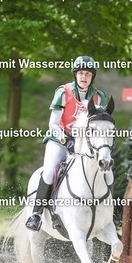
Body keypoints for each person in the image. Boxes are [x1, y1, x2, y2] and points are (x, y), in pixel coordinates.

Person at [25, 55, 113, 231]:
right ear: (75, 74)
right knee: (49, 173)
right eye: (80, 73)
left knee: (108, 174)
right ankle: (36, 214)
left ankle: (108, 214)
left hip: (86, 144)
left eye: (88, 74)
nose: (84, 77)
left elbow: (102, 123)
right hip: (60, 139)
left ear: (92, 77)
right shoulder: (63, 92)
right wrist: (66, 139)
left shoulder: (99, 96)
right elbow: (53, 124)